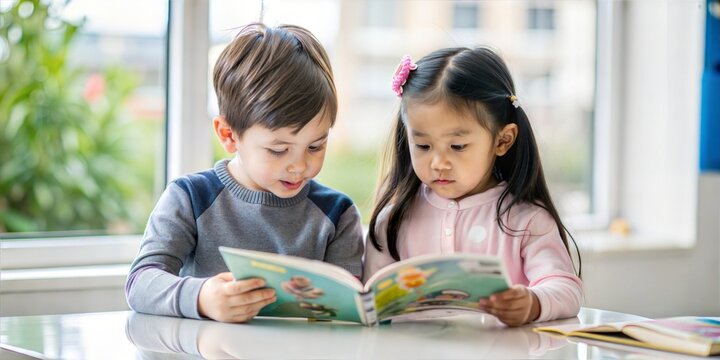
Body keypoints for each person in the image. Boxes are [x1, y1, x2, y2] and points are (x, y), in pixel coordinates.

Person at [125, 23, 364, 323]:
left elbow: (347, 313)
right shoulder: (190, 198)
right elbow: (140, 283)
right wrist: (200, 298)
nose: (300, 166)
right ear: (228, 135)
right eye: (278, 150)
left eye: (315, 146)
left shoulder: (337, 214)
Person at [364, 48, 583, 327]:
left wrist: (533, 303)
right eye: (423, 146)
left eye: (457, 146)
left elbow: (565, 288)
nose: (438, 162)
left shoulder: (526, 220)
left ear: (502, 141)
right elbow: (371, 304)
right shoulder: (392, 222)